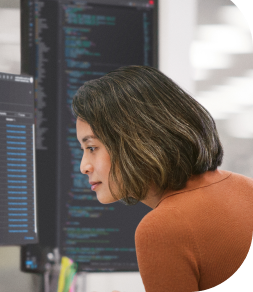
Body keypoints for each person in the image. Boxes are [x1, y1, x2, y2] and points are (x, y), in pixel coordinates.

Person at [72, 65, 253, 291]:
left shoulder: (163, 227)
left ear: (135, 140)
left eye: (91, 147)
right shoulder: (246, 188)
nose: (84, 167)